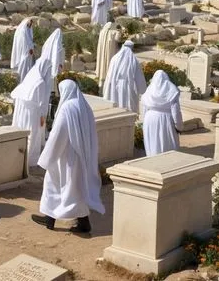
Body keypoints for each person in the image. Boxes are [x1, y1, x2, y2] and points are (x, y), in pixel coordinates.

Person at [32, 79, 105, 233]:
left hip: (67, 154)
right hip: (82, 154)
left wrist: (47, 157)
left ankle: (50, 219)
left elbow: (59, 134)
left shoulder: (67, 108)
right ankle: (77, 221)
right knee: (76, 188)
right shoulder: (84, 105)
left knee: (53, 182)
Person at [11, 57, 52, 167]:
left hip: (22, 109)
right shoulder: (41, 82)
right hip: (32, 112)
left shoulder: (31, 76)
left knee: (21, 132)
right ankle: (30, 160)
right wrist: (43, 117)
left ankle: (18, 157)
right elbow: (42, 103)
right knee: (33, 135)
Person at [142, 70, 184, 156]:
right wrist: (179, 126)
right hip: (166, 119)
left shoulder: (150, 89)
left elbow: (144, 108)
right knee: (167, 143)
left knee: (153, 143)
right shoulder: (171, 90)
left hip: (149, 118)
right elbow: (175, 111)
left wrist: (144, 121)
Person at [103, 40, 147, 113]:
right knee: (128, 106)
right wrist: (143, 90)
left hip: (114, 84)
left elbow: (109, 74)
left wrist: (106, 86)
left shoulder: (115, 58)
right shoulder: (134, 60)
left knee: (115, 103)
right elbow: (139, 77)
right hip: (128, 86)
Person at [95, 23, 122, 93]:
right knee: (109, 66)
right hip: (110, 53)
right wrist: (120, 31)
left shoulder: (102, 32)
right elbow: (118, 39)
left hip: (102, 54)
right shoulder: (114, 32)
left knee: (102, 67)